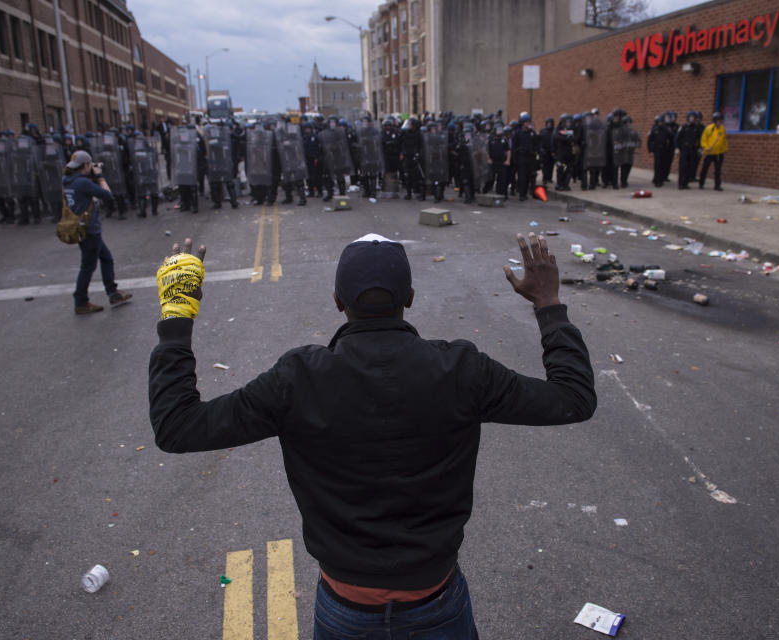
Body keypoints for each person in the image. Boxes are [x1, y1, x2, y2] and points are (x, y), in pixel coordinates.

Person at [148, 231, 596, 639]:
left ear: (339, 302)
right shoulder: (462, 370)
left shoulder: (298, 378)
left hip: (346, 609)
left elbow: (178, 427)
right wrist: (548, 304)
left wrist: (177, 316)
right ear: (411, 299)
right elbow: (572, 398)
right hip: (434, 603)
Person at [62, 150, 132, 315]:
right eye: (89, 165)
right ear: (85, 165)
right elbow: (107, 195)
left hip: (79, 227)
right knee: (88, 266)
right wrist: (99, 176)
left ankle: (112, 293)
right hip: (89, 229)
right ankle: (81, 301)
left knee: (105, 259)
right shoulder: (82, 183)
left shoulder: (68, 180)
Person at [699, 112, 727, 191]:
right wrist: (706, 147)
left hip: (718, 153)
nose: (719, 122)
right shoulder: (709, 128)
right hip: (709, 153)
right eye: (718, 120)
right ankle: (701, 183)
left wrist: (725, 149)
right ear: (714, 120)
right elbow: (703, 139)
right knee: (705, 168)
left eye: (720, 120)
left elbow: (724, 140)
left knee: (718, 170)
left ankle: (717, 185)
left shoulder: (722, 129)